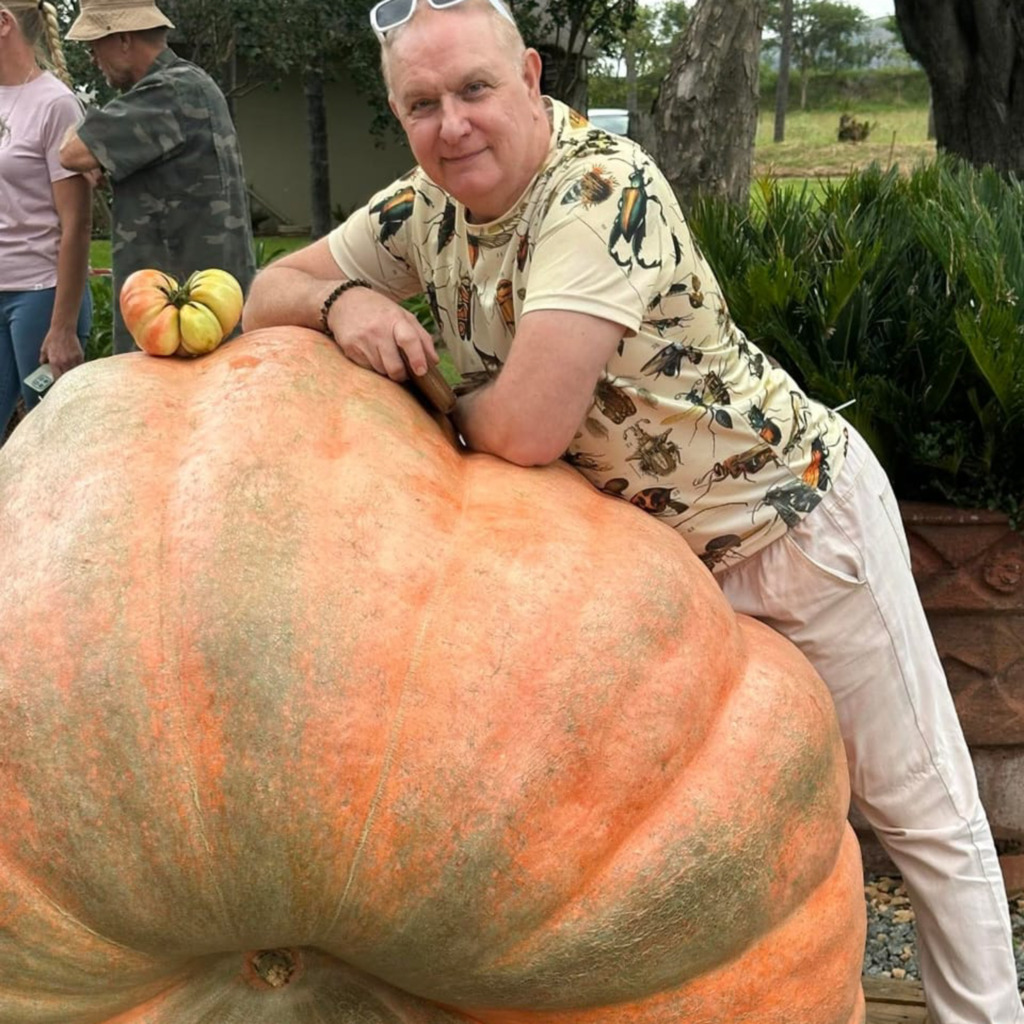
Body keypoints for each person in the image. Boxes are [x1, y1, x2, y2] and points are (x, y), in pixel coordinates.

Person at [241, 0, 1023, 1020]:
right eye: (421, 104)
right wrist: (346, 303)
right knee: (709, 827)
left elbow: (523, 427)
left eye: (474, 90)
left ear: (528, 76)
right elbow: (268, 291)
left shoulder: (602, 190)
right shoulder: (420, 211)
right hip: (662, 569)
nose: (452, 125)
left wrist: (430, 403)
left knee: (918, 811)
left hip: (794, 526)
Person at [58, 0, 255, 354]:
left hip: (181, 320)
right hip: (196, 312)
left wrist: (89, 140)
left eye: (94, 46)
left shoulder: (168, 92)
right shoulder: (186, 84)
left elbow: (71, 152)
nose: (92, 58)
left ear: (123, 40)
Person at [0, 0, 91, 438]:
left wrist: (62, 327)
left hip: (40, 295)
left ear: (4, 24)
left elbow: (77, 223)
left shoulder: (56, 105)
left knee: (52, 440)